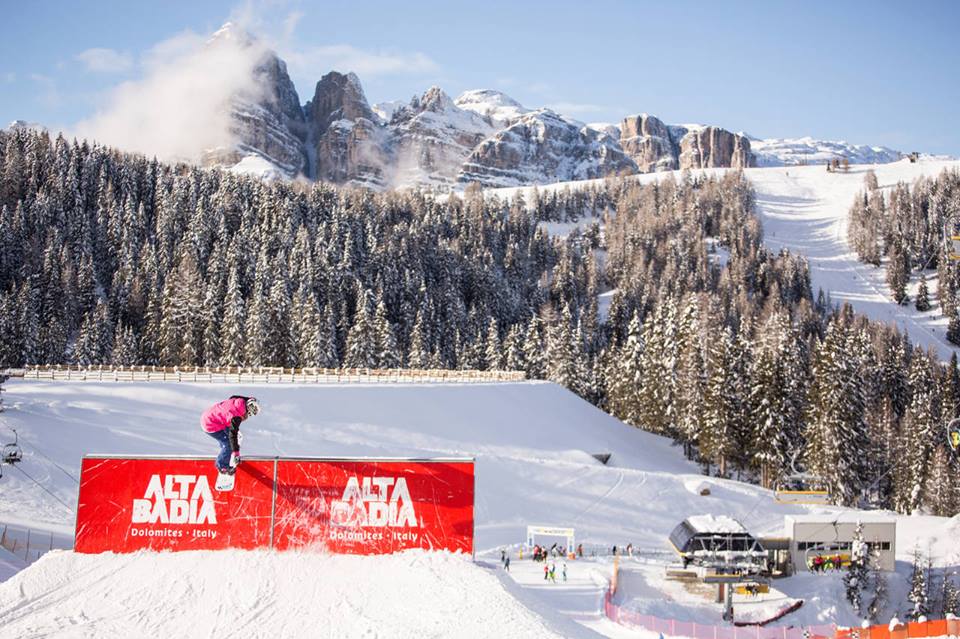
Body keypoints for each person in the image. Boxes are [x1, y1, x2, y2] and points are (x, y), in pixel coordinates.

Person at [201, 395, 259, 474]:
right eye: (248, 415)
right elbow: (233, 434)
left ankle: (226, 451)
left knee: (230, 438)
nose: (247, 417)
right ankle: (222, 466)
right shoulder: (236, 417)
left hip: (210, 416)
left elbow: (233, 396)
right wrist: (236, 452)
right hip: (210, 424)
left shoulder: (239, 401)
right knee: (228, 443)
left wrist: (249, 399)